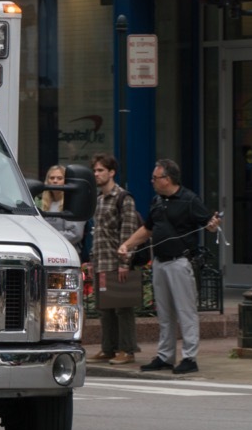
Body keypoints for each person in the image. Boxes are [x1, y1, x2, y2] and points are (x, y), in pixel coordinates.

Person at [119, 159, 221, 375]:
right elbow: (147, 229)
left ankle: (189, 357)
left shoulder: (189, 199)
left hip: (180, 261)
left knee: (186, 311)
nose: (152, 181)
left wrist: (213, 225)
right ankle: (165, 356)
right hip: (160, 262)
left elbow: (209, 223)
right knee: (164, 313)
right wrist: (127, 244)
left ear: (167, 179)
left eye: (155, 178)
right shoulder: (157, 201)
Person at [88, 154, 142, 365]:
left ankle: (126, 350)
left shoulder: (123, 198)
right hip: (101, 260)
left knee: (122, 308)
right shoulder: (99, 200)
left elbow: (128, 233)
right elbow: (97, 233)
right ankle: (108, 348)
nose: (96, 174)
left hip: (115, 261)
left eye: (101, 170)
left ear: (111, 172)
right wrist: (92, 261)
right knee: (105, 308)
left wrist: (124, 263)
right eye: (95, 170)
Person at [38, 165, 85, 255]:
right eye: (52, 178)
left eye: (59, 178)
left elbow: (75, 234)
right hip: (46, 253)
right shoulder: (43, 204)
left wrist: (47, 238)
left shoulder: (72, 203)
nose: (55, 181)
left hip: (67, 254)